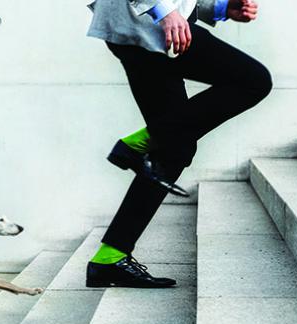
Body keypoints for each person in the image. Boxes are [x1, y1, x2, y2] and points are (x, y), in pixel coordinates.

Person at [84, 0, 272, 288]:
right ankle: (140, 142)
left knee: (175, 148)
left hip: (143, 27)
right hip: (150, 25)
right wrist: (164, 11)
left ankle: (110, 257)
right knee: (253, 80)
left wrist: (219, 8)